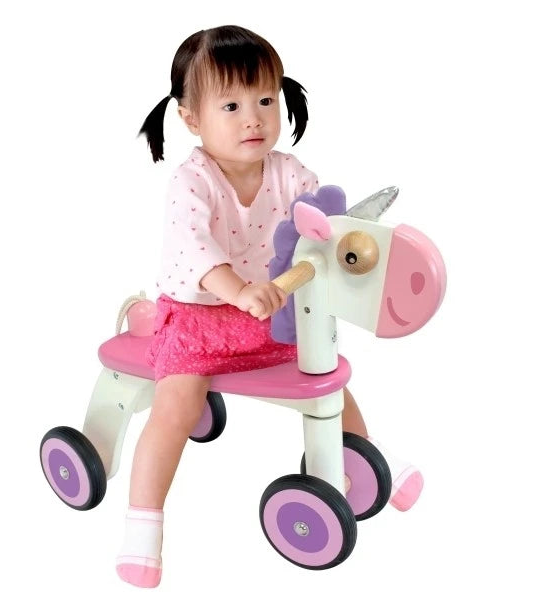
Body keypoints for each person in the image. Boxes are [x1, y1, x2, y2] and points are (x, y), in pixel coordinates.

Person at [116, 25, 423, 588]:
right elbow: (193, 246)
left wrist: (341, 238)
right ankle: (143, 523)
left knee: (325, 377)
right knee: (176, 406)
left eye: (264, 100)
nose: (252, 119)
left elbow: (318, 225)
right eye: (231, 106)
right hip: (200, 322)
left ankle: (364, 453)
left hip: (269, 313)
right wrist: (237, 290)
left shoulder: (289, 172)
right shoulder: (191, 181)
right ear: (190, 118)